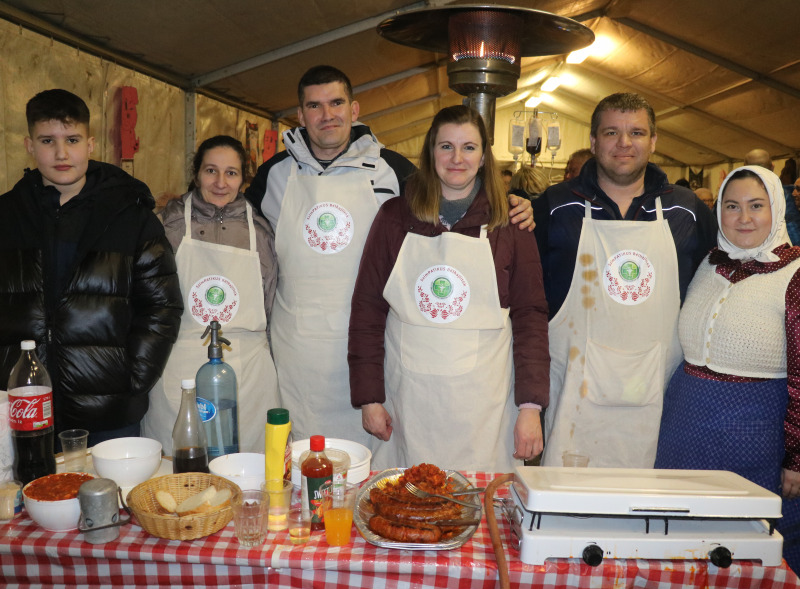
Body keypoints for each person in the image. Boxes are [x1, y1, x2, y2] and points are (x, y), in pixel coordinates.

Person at [245, 65, 534, 446]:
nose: (327, 115)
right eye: (314, 106)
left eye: (336, 103)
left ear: (355, 109)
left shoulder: (393, 170)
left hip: (377, 349)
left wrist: (513, 204)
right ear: (300, 116)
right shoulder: (273, 176)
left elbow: (445, 203)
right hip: (299, 354)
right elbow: (237, 235)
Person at [348, 105, 549, 471]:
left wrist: (531, 407)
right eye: (446, 147)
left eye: (469, 147)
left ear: (484, 157)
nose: (457, 158)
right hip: (409, 404)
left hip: (484, 410)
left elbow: (530, 317)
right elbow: (366, 310)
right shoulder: (394, 216)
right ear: (430, 152)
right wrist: (369, 398)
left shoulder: (510, 222)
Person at [532, 92, 717, 468]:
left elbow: (714, 283)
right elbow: (526, 297)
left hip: (658, 384)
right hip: (572, 387)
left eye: (636, 133)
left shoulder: (686, 208)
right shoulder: (554, 205)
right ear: (593, 140)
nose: (624, 143)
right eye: (612, 132)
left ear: (653, 142)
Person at [0, 89, 182, 446]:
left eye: (72, 139)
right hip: (23, 405)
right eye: (47, 140)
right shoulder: (6, 216)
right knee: (30, 500)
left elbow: (162, 304)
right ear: (29, 145)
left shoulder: (131, 217)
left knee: (109, 499)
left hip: (109, 411)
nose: (61, 153)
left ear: (91, 144)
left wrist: (132, 378)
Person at [655, 165, 800, 572]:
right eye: (732, 206)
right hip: (683, 428)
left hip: (756, 436)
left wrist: (797, 458)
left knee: (745, 551)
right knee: (679, 541)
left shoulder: (795, 275)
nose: (744, 218)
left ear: (777, 210)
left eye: (757, 206)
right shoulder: (708, 263)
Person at [142, 135, 279, 455]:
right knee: (181, 472)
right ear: (195, 173)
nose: (220, 182)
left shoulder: (259, 230)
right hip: (179, 364)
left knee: (247, 471)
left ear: (243, 178)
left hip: (248, 371)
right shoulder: (167, 224)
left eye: (231, 173)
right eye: (211, 171)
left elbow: (269, 301)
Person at [745, 148, 800, 245]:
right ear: (772, 167)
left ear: (744, 167)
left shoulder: (729, 195)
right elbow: (793, 233)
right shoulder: (783, 196)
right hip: (778, 255)